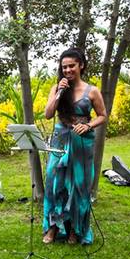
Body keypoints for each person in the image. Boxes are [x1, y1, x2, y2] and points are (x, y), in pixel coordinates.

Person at [41, 49, 107, 245]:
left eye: (71, 66)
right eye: (64, 67)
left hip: (82, 141)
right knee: (55, 183)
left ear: (81, 65)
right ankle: (53, 228)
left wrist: (88, 125)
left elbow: (103, 116)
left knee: (79, 186)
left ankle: (75, 230)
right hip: (61, 138)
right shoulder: (57, 88)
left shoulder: (92, 91)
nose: (67, 70)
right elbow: (48, 114)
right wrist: (60, 92)